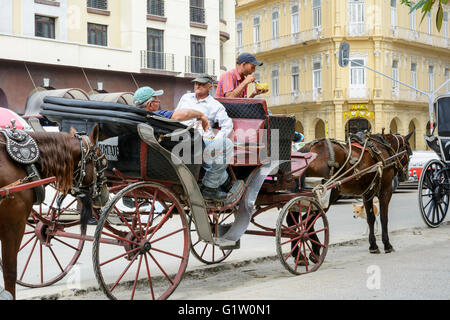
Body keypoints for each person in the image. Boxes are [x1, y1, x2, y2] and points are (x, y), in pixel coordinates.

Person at [176, 74, 237, 201]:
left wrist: (217, 141)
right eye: (196, 83)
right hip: (182, 135)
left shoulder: (215, 105)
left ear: (210, 87)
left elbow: (227, 125)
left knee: (222, 146)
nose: (197, 86)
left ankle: (212, 186)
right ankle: (224, 183)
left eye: (202, 84)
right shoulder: (185, 98)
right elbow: (176, 115)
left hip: (203, 138)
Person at [133, 86, 210, 131]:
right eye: (157, 100)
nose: (159, 101)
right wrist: (201, 115)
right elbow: (183, 114)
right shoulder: (154, 115)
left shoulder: (133, 117)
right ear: (150, 105)